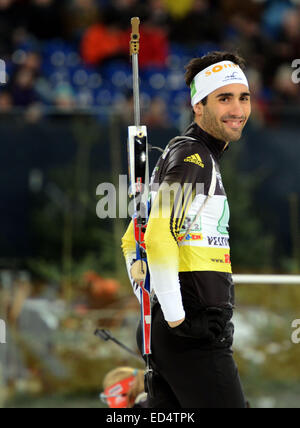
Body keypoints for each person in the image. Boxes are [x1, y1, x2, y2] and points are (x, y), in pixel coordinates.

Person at [121, 51, 251, 408]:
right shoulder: (193, 156)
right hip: (192, 330)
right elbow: (156, 235)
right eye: (224, 98)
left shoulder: (189, 154)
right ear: (198, 105)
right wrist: (177, 318)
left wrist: (152, 301)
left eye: (243, 97)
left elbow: (132, 239)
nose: (237, 109)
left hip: (180, 329)